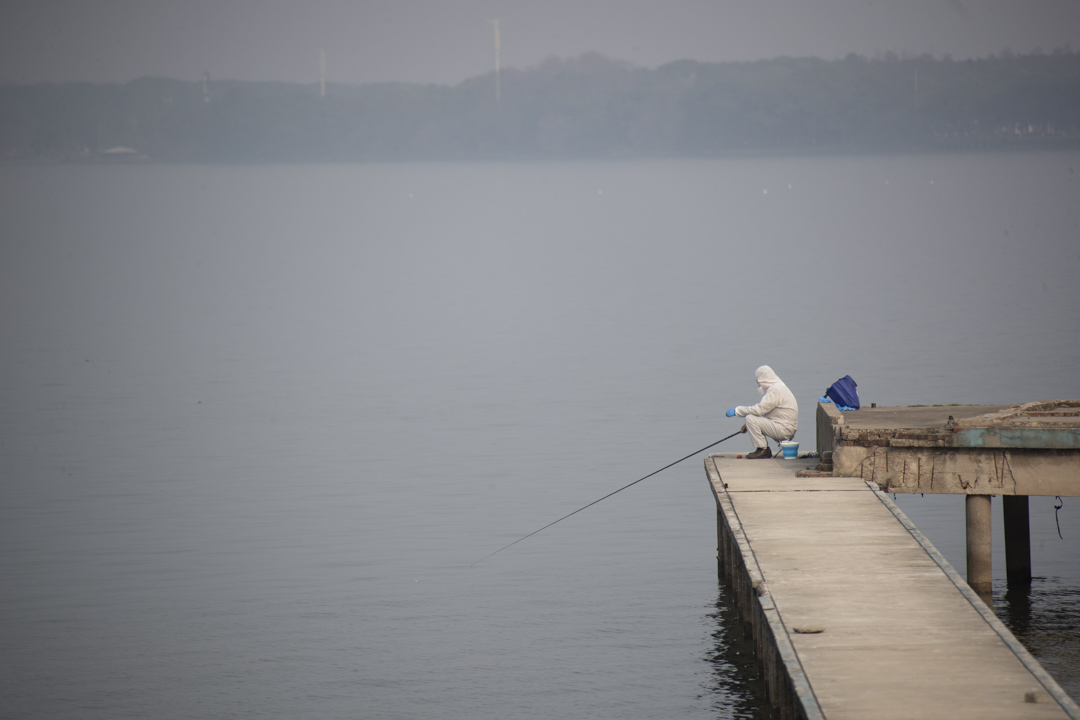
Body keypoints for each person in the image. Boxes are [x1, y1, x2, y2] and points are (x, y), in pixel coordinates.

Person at [725, 365, 798, 459]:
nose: (758, 385)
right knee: (751, 419)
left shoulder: (775, 390)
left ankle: (763, 450)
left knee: (750, 418)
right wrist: (749, 425)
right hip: (785, 426)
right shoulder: (779, 387)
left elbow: (759, 410)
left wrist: (737, 411)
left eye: (758, 381)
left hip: (784, 429)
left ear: (763, 379)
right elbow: (769, 413)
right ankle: (763, 449)